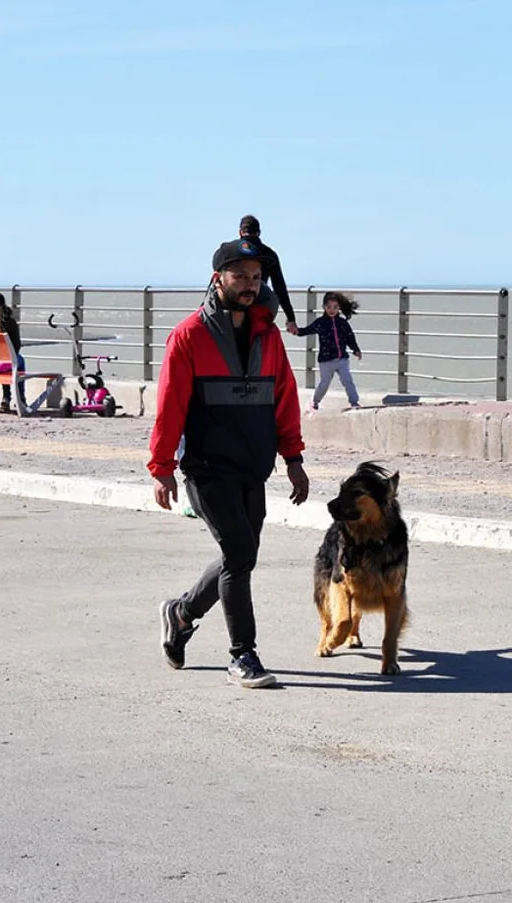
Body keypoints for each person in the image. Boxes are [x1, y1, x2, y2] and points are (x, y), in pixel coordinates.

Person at [148, 237, 309, 689]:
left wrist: (292, 457)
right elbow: (170, 405)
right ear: (217, 277)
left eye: (257, 278)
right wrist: (161, 467)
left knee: (240, 555)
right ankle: (243, 655)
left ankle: (181, 614)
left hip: (252, 466)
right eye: (240, 276)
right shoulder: (189, 336)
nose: (250, 285)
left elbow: (283, 398)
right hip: (207, 467)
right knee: (239, 555)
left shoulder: (268, 335)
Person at [291, 291, 363, 410]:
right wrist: (296, 331)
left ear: (339, 307)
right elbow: (307, 330)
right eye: (329, 307)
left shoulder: (342, 323)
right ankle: (315, 401)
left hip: (342, 359)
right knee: (324, 384)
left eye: (335, 307)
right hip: (326, 361)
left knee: (347, 380)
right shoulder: (320, 323)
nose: (332, 310)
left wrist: (356, 349)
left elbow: (350, 337)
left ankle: (354, 402)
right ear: (324, 307)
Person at [237, 214, 297, 327]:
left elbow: (217, 283)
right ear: (259, 232)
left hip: (234, 309)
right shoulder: (269, 254)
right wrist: (290, 317)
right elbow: (279, 288)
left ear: (240, 232)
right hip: (259, 308)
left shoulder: (231, 252)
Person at [0, 292, 24, 413]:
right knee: (19, 361)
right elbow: (17, 345)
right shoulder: (11, 322)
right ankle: (21, 399)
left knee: (5, 362)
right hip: (7, 362)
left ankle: (6, 397)